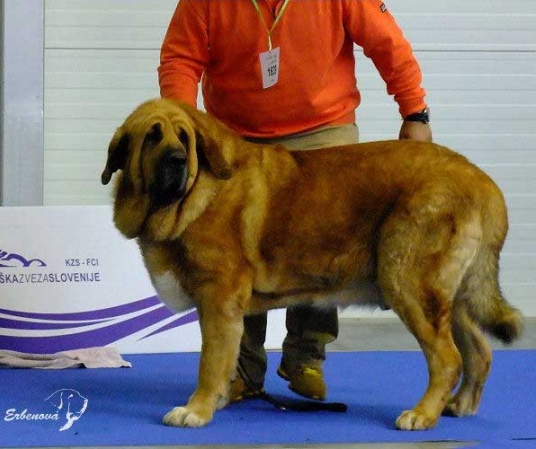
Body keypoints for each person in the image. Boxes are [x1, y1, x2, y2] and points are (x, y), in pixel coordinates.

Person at [158, 0, 432, 403]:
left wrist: (415, 111)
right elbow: (180, 58)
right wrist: (183, 125)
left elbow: (386, 42)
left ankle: (306, 356)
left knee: (325, 244)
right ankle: (241, 369)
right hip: (235, 136)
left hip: (323, 131)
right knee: (230, 257)